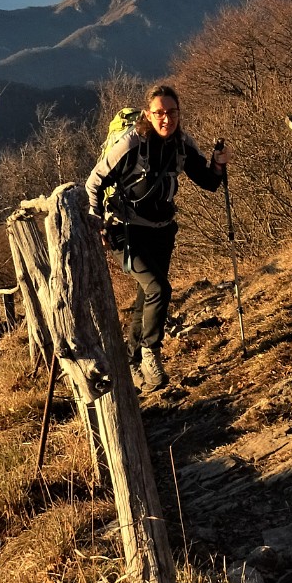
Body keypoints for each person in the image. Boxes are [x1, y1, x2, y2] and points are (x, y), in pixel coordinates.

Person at [85, 84, 228, 389]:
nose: (167, 119)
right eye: (160, 113)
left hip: (162, 231)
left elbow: (208, 182)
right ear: (148, 115)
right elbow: (94, 183)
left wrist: (217, 163)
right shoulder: (131, 144)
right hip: (125, 231)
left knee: (147, 295)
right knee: (159, 288)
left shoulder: (181, 144)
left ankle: (134, 362)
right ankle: (151, 352)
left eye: (172, 112)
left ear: (179, 113)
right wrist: (96, 223)